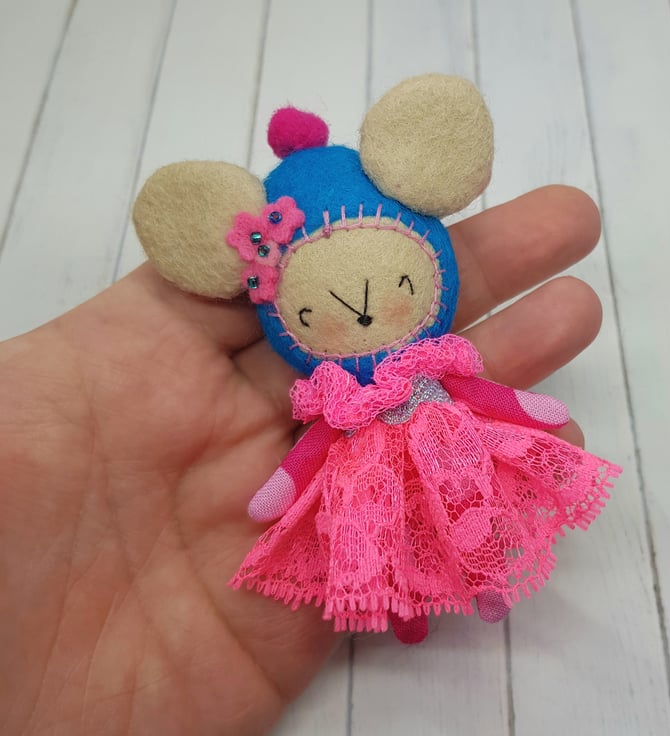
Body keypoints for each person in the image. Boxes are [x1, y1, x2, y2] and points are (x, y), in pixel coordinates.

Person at [0, 186, 602, 735]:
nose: (362, 313)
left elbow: (481, 394)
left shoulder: (429, 367)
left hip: (449, 451)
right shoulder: (339, 399)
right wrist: (283, 487)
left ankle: (487, 584)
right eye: (310, 314)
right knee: (385, 542)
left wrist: (531, 408)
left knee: (470, 509)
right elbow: (311, 449)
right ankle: (406, 611)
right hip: (368, 475)